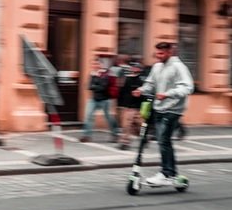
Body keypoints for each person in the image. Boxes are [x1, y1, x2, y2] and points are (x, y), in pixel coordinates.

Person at [133, 42, 193, 186]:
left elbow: (187, 87)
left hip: (173, 109)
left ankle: (166, 173)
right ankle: (171, 173)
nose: (158, 56)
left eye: (162, 53)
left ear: (169, 52)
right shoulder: (157, 67)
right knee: (164, 141)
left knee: (163, 140)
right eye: (157, 53)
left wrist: (168, 94)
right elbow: (151, 84)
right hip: (159, 108)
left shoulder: (178, 67)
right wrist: (141, 90)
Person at [80, 58, 119, 143]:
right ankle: (86, 136)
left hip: (105, 100)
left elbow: (103, 87)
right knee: (88, 116)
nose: (94, 66)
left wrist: (95, 84)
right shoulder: (92, 74)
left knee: (109, 118)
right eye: (93, 64)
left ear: (100, 64)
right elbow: (89, 86)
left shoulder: (106, 74)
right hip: (93, 99)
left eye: (96, 64)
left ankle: (115, 134)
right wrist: (96, 84)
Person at [116, 61, 145, 150]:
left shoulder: (141, 81)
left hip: (138, 107)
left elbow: (144, 94)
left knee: (139, 126)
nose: (133, 69)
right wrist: (120, 104)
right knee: (126, 125)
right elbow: (122, 92)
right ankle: (125, 143)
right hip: (128, 107)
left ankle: (144, 138)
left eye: (136, 67)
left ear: (139, 70)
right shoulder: (127, 79)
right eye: (132, 67)